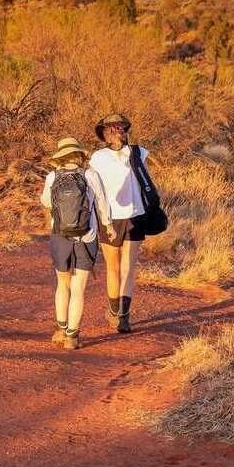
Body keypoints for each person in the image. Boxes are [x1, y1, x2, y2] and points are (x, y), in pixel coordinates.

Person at [40, 137, 115, 350]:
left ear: (61, 156)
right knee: (78, 288)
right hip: (87, 236)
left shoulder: (52, 177)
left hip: (59, 236)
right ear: (80, 155)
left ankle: (61, 329)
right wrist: (108, 226)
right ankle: (72, 337)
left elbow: (45, 202)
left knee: (62, 284)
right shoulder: (90, 175)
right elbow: (102, 204)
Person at [89, 114, 148, 334]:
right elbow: (146, 183)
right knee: (128, 269)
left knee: (113, 268)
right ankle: (123, 317)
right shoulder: (139, 152)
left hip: (110, 217)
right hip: (135, 214)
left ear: (105, 133)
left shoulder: (98, 157)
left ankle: (115, 313)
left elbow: (94, 188)